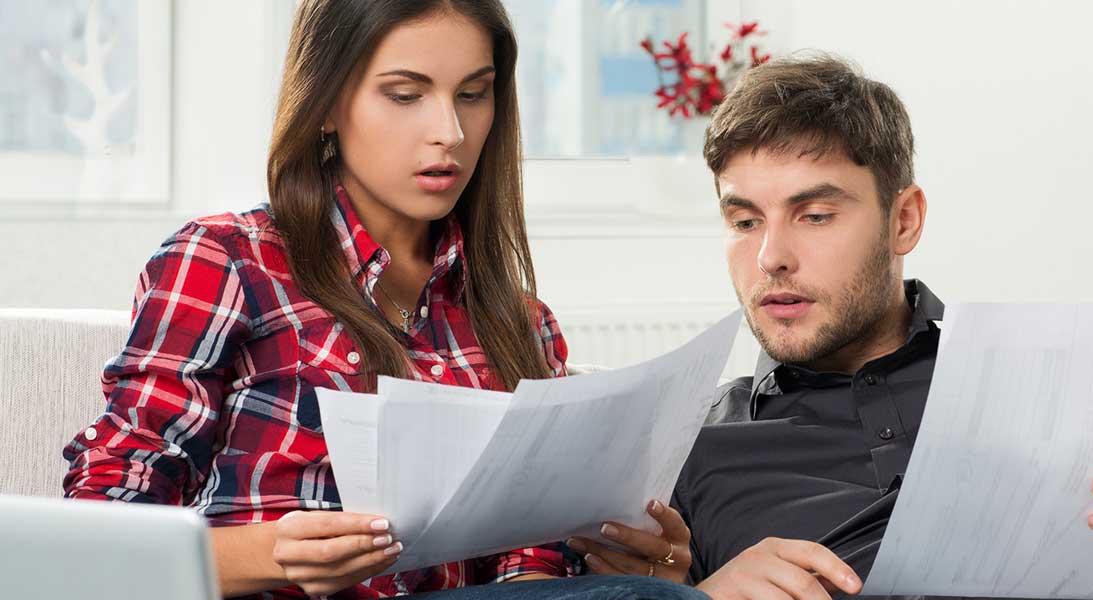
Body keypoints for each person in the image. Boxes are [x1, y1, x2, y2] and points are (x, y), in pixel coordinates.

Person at [571, 54, 1093, 600]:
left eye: (815, 215)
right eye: (744, 220)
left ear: (903, 220)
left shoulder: (1076, 391)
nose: (771, 258)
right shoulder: (687, 451)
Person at [61, 1, 697, 599]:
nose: (449, 131)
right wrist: (270, 553)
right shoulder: (228, 259)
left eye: (473, 94)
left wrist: (624, 561)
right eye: (405, 94)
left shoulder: (520, 323)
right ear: (328, 102)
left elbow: (527, 570)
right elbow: (100, 535)